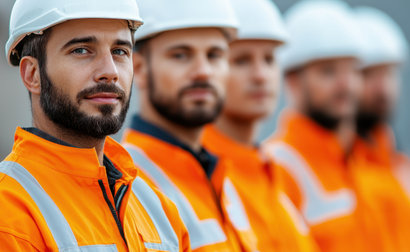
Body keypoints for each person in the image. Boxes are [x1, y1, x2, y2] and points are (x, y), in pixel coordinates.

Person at [0, 0, 191, 251]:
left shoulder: (158, 209)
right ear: (32, 74)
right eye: (81, 50)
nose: (110, 71)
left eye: (120, 51)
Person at [119, 0, 242, 250]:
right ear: (139, 69)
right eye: (181, 55)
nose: (203, 71)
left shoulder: (221, 175)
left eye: (214, 55)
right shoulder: (127, 183)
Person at [201, 0, 319, 251]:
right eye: (241, 60)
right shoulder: (200, 174)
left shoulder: (269, 172)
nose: (260, 75)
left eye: (269, 59)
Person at [263, 0, 378, 251]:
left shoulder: (358, 159)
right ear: (292, 81)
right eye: (328, 72)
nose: (345, 85)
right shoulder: (276, 166)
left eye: (352, 71)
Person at [350, 7, 410, 251]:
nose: (382, 89)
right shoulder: (335, 163)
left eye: (388, 74)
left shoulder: (399, 165)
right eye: (370, 76)